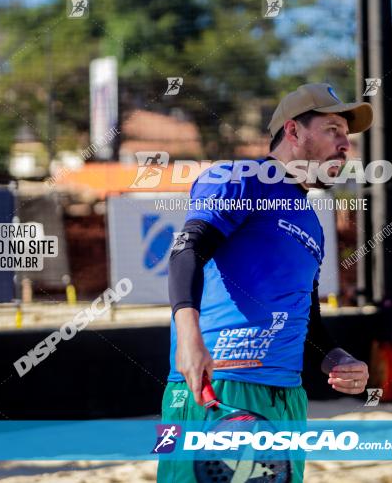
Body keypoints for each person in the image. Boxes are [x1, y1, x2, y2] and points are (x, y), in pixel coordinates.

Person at [158, 83, 373, 482]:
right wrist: (189, 340)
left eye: (347, 135)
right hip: (220, 387)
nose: (345, 145)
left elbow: (307, 321)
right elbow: (186, 252)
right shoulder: (240, 178)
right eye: (332, 130)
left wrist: (337, 358)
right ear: (292, 132)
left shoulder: (312, 220)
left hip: (286, 398)